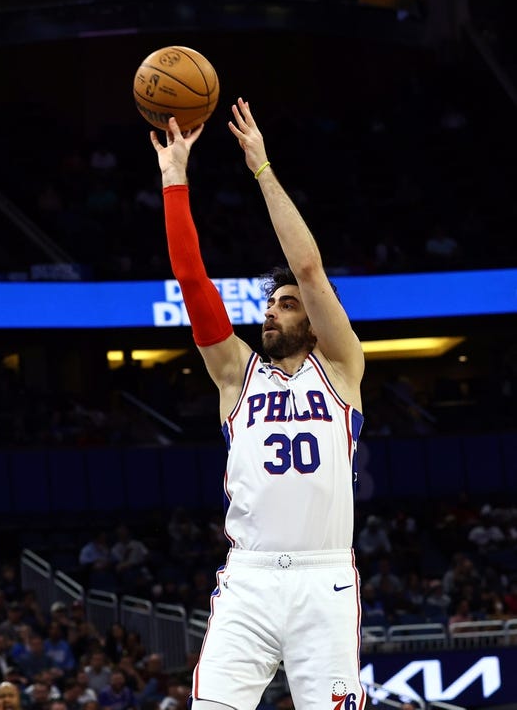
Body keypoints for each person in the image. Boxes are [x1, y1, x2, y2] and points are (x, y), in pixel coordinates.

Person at [149, 99, 366, 709]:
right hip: (249, 578)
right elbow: (193, 281)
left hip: (324, 579)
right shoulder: (235, 375)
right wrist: (174, 178)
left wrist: (261, 168)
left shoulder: (341, 368)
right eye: (270, 304)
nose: (272, 311)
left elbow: (308, 268)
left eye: (287, 305)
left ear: (314, 322)